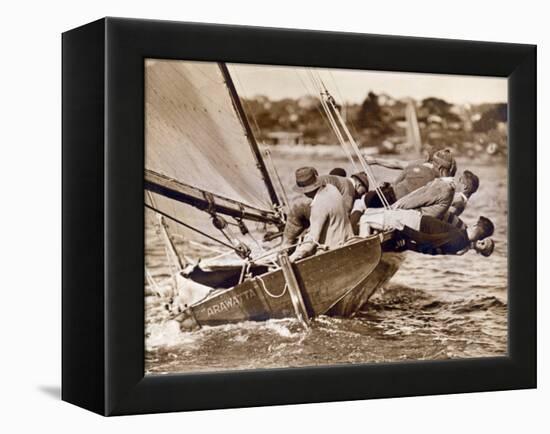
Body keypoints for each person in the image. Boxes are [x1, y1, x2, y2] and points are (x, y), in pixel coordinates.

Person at [355, 207, 495, 256]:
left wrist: (404, 228)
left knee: (365, 219)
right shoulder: (461, 235)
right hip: (414, 220)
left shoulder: (459, 239)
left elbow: (428, 241)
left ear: (477, 226)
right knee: (369, 214)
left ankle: (358, 254)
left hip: (412, 223)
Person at [288, 167, 353, 261]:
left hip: (333, 251)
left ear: (305, 191)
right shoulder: (332, 188)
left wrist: (291, 258)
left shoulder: (318, 206)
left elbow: (312, 241)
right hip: (348, 242)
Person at [363, 148, 456, 207]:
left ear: (428, 157)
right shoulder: (442, 179)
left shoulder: (419, 164)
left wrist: (375, 160)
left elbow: (397, 164)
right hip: (404, 203)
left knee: (362, 202)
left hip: (393, 199)